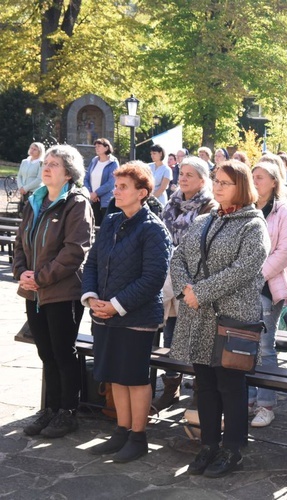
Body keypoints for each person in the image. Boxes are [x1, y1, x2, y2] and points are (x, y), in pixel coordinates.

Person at [170, 160, 269, 477]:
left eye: (225, 182)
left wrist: (201, 292)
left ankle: (233, 449)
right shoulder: (203, 221)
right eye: (216, 180)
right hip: (199, 317)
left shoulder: (253, 225)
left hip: (233, 319)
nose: (218, 186)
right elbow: (178, 256)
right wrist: (188, 290)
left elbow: (243, 271)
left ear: (241, 186)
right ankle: (209, 446)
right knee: (205, 385)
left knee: (231, 386)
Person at [82, 162, 171, 462]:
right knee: (115, 377)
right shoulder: (110, 221)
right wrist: (92, 298)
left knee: (134, 378)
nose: (116, 192)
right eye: (116, 186)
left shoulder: (153, 229)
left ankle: (138, 437)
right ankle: (120, 432)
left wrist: (116, 305)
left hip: (136, 316)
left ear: (142, 193)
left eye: (122, 187)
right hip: (105, 314)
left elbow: (153, 278)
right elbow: (92, 262)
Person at [14, 145, 95, 438]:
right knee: (45, 352)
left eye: (54, 164)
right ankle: (49, 409)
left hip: (62, 291)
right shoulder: (36, 200)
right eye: (45, 163)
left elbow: (75, 250)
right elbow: (20, 242)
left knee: (63, 352)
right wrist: (21, 273)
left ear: (69, 173)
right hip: (34, 292)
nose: (46, 168)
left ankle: (67, 412)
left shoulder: (76, 204)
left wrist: (41, 277)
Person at [155, 156, 219, 412]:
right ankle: (171, 388)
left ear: (203, 180)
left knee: (196, 342)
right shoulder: (171, 203)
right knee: (171, 340)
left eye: (189, 175)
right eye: (181, 173)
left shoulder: (210, 206)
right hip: (168, 279)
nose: (182, 178)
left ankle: (197, 395)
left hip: (194, 283)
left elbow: (203, 246)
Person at [247, 161, 287, 428]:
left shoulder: (284, 210)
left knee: (266, 346)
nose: (254, 181)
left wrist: (257, 276)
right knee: (244, 344)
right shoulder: (247, 208)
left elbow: (286, 250)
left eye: (260, 177)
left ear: (274, 182)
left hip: (269, 285)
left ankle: (266, 404)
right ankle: (248, 397)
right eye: (252, 176)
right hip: (242, 288)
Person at [83, 138, 119, 226]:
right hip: (93, 199)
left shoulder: (113, 162)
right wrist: (91, 193)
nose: (96, 148)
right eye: (95, 147)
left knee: (105, 225)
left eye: (99, 146)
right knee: (94, 225)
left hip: (106, 200)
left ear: (106, 148)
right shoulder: (94, 161)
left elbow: (111, 182)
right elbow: (86, 178)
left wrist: (97, 193)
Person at [17, 142, 45, 209]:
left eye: (35, 149)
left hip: (35, 192)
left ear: (40, 151)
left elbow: (39, 179)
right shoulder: (24, 161)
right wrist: (21, 187)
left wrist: (26, 188)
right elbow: (19, 176)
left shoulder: (41, 163)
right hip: (23, 192)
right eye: (31, 148)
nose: (32, 150)